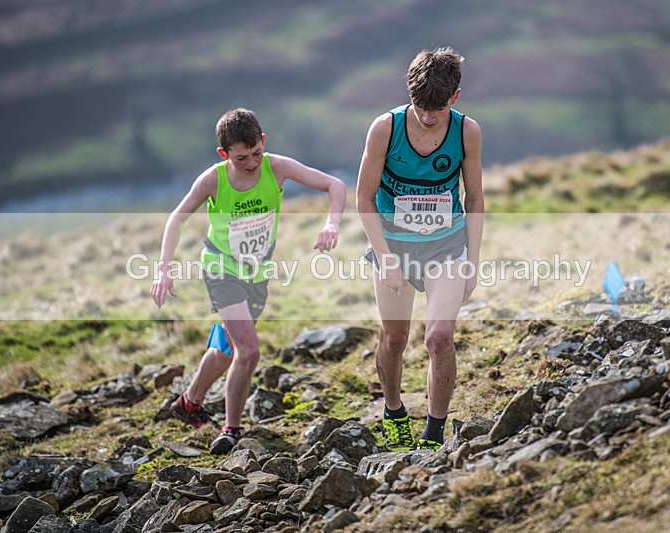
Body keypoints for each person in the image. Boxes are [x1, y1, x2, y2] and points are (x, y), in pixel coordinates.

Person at [151, 108, 346, 454]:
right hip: (221, 270)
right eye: (242, 158)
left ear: (263, 142)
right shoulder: (213, 179)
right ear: (224, 154)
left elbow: (335, 185)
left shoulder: (277, 167)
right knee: (249, 350)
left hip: (257, 273)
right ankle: (232, 429)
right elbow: (176, 219)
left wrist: (331, 223)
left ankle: (189, 402)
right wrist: (163, 269)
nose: (253, 163)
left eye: (256, 153)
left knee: (227, 350)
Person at [356, 47, 484, 451]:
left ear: (455, 98)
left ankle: (434, 433)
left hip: (446, 248)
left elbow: (475, 199)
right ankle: (393, 411)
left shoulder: (467, 132)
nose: (428, 117)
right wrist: (385, 257)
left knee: (439, 338)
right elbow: (364, 197)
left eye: (437, 109)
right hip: (393, 246)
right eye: (420, 107)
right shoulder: (385, 129)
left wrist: (473, 263)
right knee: (394, 339)